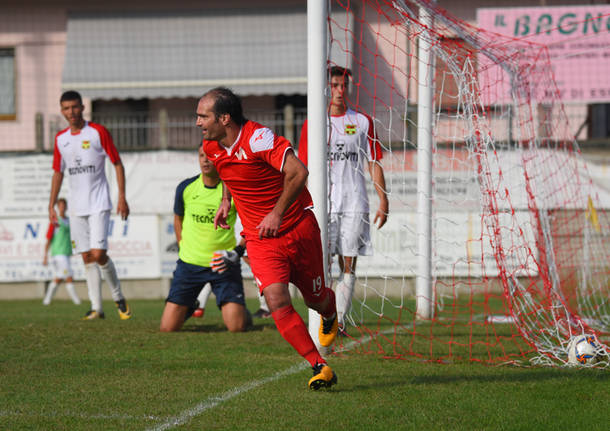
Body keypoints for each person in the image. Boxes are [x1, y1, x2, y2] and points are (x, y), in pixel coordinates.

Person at [197, 87, 339, 390]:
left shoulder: (258, 138)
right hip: (260, 239)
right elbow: (226, 172)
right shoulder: (211, 146)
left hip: (298, 227)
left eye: (203, 116)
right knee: (275, 299)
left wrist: (276, 213)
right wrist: (226, 201)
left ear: (224, 118)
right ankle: (319, 365)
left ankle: (329, 310)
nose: (198, 122)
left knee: (315, 299)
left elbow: (299, 173)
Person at [298, 66, 389, 331]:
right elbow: (303, 166)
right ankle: (321, 318)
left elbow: (373, 162)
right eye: (334, 85)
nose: (339, 91)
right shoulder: (313, 123)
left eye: (343, 86)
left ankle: (339, 321)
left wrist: (383, 200)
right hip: (321, 204)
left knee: (348, 262)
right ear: (326, 88)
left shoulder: (362, 122)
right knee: (320, 263)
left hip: (353, 202)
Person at [48, 90, 132, 320]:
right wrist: (51, 205)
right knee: (86, 257)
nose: (71, 112)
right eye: (66, 108)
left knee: (99, 253)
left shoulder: (97, 132)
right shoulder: (60, 139)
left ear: (82, 107)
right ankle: (97, 308)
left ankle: (118, 297)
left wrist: (122, 197)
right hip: (76, 208)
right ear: (62, 110)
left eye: (75, 107)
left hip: (98, 203)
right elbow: (58, 172)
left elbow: (117, 163)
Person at [159, 145, 251, 333]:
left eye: (210, 156)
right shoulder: (186, 187)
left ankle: (242, 311)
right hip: (190, 265)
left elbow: (251, 225)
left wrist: (236, 252)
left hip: (223, 263)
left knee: (237, 327)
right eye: (202, 155)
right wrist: (182, 244)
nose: (205, 160)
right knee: (167, 328)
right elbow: (178, 218)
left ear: (220, 158)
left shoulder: (234, 191)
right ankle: (189, 304)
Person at [42, 198, 81, 306]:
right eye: (60, 206)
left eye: (64, 206)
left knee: (59, 277)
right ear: (58, 208)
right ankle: (77, 302)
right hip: (58, 254)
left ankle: (47, 300)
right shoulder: (55, 221)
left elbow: (72, 238)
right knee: (69, 277)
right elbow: (49, 238)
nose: (62, 208)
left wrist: (74, 248)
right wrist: (45, 255)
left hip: (66, 253)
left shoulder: (69, 221)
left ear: (66, 207)